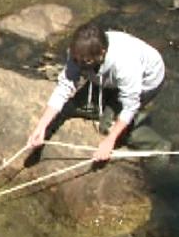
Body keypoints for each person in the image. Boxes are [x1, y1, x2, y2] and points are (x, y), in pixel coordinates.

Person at [26, 22, 170, 162]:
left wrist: (110, 141)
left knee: (108, 126)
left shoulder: (125, 64)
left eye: (85, 62)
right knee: (70, 107)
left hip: (147, 82)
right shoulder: (79, 53)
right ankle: (108, 101)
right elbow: (65, 86)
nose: (79, 65)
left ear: (102, 53)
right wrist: (41, 126)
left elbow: (129, 107)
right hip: (108, 77)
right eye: (76, 60)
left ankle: (158, 146)